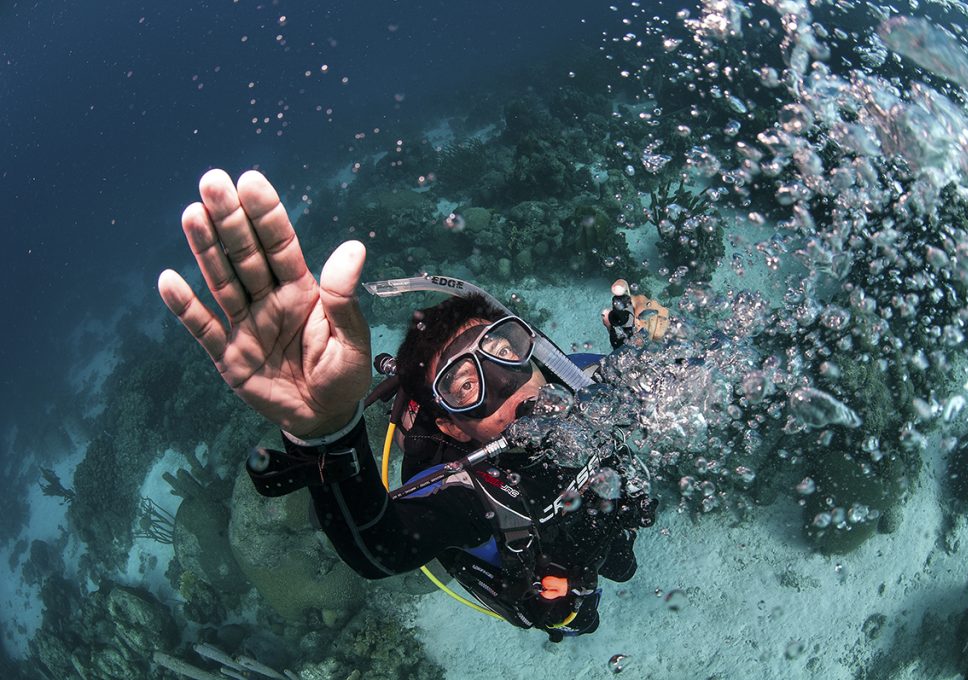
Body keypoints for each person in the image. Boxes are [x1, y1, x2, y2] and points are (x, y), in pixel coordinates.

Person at [159, 169, 657, 640]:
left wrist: (647, 348)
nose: (509, 384)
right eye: (467, 385)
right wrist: (328, 429)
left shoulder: (575, 381)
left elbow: (652, 388)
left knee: (624, 558)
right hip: (546, 577)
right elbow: (384, 550)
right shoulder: (470, 493)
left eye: (505, 351)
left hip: (605, 516)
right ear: (455, 428)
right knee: (578, 614)